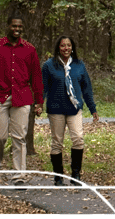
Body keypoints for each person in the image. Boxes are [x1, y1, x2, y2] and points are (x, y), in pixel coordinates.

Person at [0, 16, 44, 186]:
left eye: (20, 26)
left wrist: (39, 101)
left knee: (19, 138)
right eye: (14, 26)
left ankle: (19, 177)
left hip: (22, 97)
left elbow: (36, 76)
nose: (17, 29)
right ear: (7, 26)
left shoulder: (29, 49)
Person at [40, 36, 99, 186]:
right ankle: (58, 176)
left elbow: (86, 89)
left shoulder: (79, 65)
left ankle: (75, 174)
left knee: (78, 139)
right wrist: (38, 104)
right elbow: (43, 88)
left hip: (74, 108)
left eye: (68, 45)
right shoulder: (49, 65)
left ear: (72, 48)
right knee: (57, 143)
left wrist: (92, 108)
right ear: (58, 48)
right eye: (62, 46)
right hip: (56, 109)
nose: (66, 48)